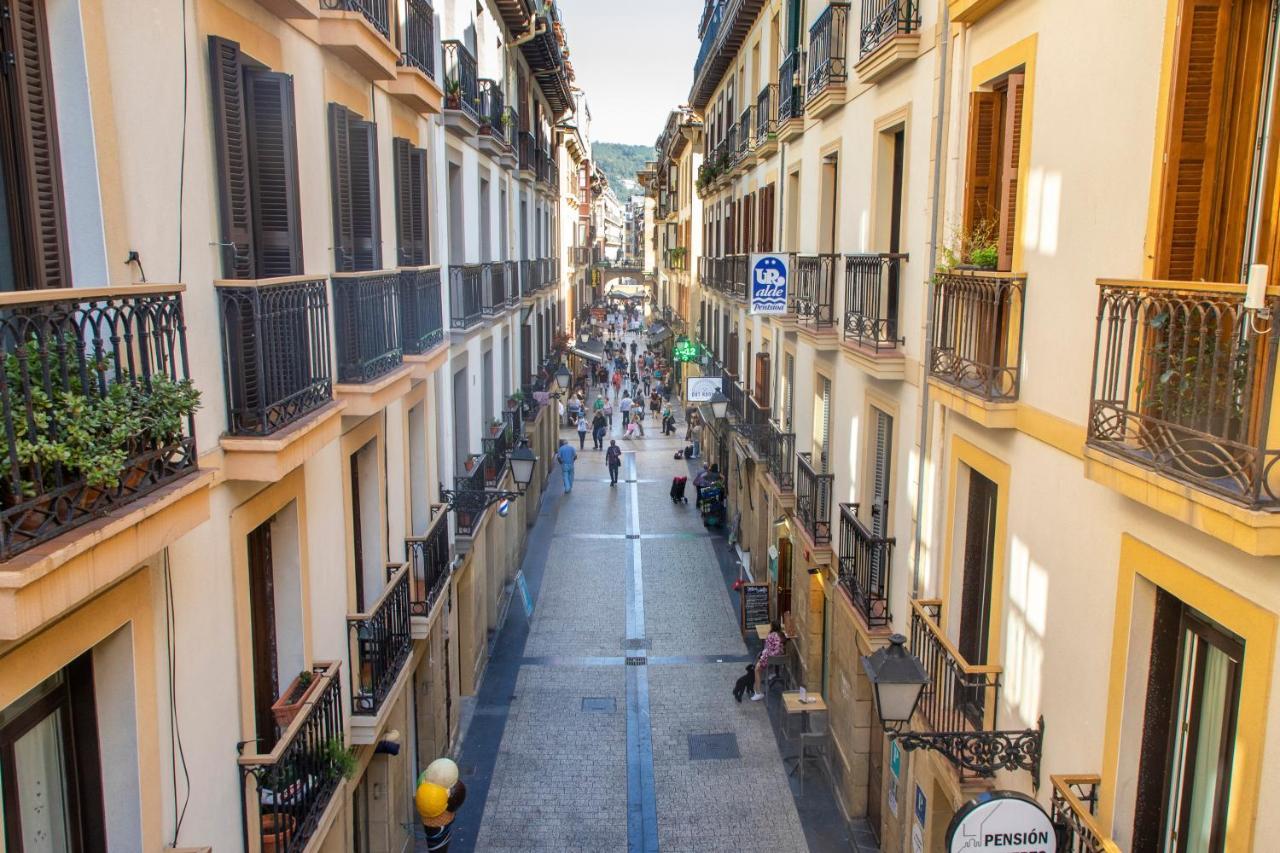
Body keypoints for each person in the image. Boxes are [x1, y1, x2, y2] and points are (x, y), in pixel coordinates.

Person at [751, 621, 786, 701]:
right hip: (781, 659)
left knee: (757, 669)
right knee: (758, 666)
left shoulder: (771, 636)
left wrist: (762, 658)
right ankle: (758, 689)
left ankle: (758, 692)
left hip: (770, 658)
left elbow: (768, 650)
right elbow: (779, 649)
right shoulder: (782, 635)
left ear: (772, 627)